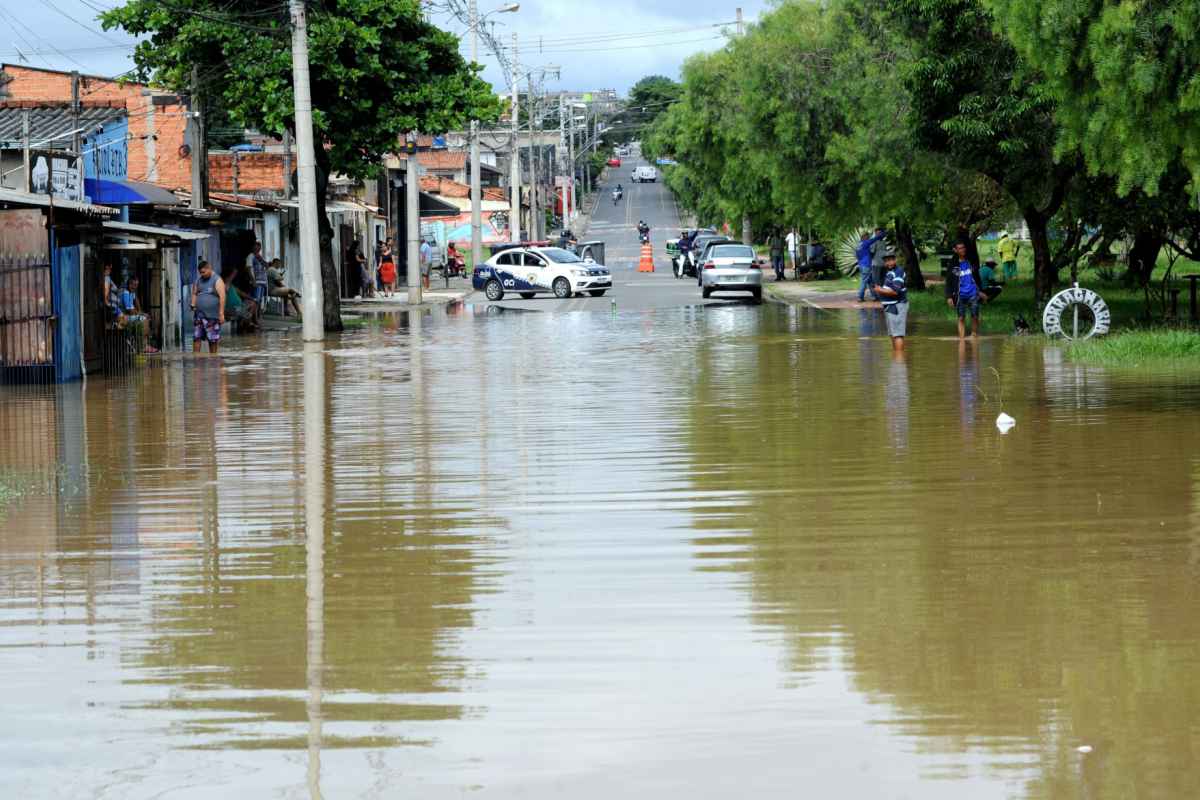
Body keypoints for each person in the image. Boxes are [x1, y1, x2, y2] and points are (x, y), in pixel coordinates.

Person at [945, 240, 987, 339]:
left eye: (963, 248)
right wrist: (949, 296)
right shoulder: (952, 265)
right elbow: (949, 282)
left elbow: (977, 278)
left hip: (973, 293)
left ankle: (974, 336)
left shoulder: (971, 262)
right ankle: (962, 339)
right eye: (960, 248)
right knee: (961, 318)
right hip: (960, 295)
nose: (963, 250)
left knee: (975, 316)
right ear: (955, 250)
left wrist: (981, 291)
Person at [876, 248, 908, 352]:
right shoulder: (889, 272)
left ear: (895, 260)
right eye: (886, 260)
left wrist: (879, 290)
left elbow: (895, 291)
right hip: (890, 306)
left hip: (897, 305)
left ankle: (899, 360)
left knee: (898, 335)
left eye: (890, 260)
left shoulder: (898, 271)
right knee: (893, 334)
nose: (888, 262)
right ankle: (896, 358)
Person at [190, 260, 225, 354]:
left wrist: (221, 314)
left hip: (212, 316)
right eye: (200, 273)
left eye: (204, 272)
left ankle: (213, 359)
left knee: (212, 340)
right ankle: (196, 359)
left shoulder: (217, 280)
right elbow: (194, 293)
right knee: (196, 337)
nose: (202, 274)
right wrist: (193, 304)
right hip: (199, 315)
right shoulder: (198, 280)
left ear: (209, 268)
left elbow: (222, 297)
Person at [223, 266, 259, 332]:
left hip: (239, 307)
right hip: (232, 309)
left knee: (253, 303)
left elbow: (242, 293)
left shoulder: (231, 285)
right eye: (233, 274)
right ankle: (247, 323)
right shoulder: (224, 285)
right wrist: (224, 311)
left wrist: (253, 299)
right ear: (229, 275)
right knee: (248, 311)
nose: (234, 276)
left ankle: (246, 323)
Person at [855, 228, 886, 302]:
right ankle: (860, 296)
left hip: (861, 265)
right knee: (864, 281)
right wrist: (883, 233)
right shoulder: (866, 243)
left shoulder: (858, 246)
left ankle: (874, 296)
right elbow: (876, 238)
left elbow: (857, 256)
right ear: (864, 237)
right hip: (866, 265)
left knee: (870, 281)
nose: (869, 238)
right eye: (867, 236)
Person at [246, 241, 269, 313]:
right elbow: (248, 268)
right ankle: (253, 318)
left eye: (259, 247)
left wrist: (261, 259)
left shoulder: (259, 257)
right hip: (256, 282)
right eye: (256, 247)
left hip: (262, 282)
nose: (258, 249)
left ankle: (257, 316)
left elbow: (267, 266)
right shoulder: (251, 256)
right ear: (253, 248)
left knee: (259, 301)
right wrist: (253, 281)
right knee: (255, 300)